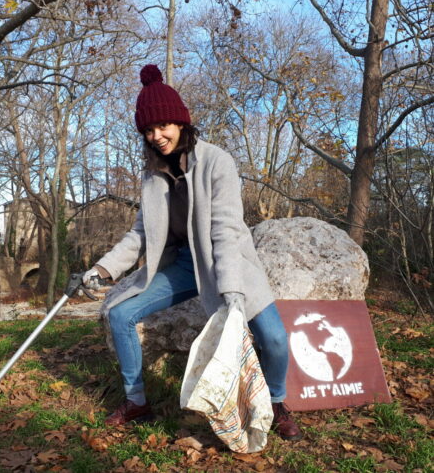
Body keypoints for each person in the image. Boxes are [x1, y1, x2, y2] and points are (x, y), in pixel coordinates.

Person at [83, 64, 302, 441]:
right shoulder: (153, 174)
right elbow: (141, 233)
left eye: (162, 126)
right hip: (184, 265)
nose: (156, 136)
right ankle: (137, 401)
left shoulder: (217, 161)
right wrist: (103, 269)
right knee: (120, 314)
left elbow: (226, 230)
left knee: (275, 339)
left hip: (227, 260)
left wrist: (232, 290)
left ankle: (277, 402)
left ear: (181, 122)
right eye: (148, 130)